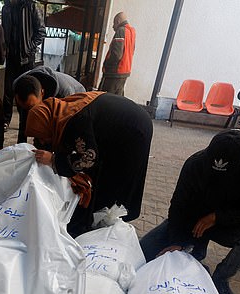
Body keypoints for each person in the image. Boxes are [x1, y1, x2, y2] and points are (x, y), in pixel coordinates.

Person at [139, 129, 240, 294]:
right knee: (144, 251)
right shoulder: (197, 162)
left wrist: (219, 217)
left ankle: (220, 279)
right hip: (196, 221)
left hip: (233, 225)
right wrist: (177, 240)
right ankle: (195, 252)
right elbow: (178, 206)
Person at [26, 92, 152, 237]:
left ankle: (105, 230)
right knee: (100, 178)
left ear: (47, 124)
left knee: (114, 184)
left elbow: (89, 159)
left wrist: (54, 160)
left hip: (133, 132)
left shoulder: (75, 120)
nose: (42, 142)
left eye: (42, 136)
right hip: (126, 123)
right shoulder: (61, 112)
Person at [1, 0, 46, 131]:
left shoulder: (31, 6)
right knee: (8, 92)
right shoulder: (6, 8)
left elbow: (41, 32)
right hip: (11, 58)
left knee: (26, 92)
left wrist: (29, 48)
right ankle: (5, 120)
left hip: (26, 59)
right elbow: (4, 32)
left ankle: (25, 125)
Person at [13, 66, 85, 143]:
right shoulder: (18, 86)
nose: (29, 111)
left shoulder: (64, 94)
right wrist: (20, 148)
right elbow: (24, 123)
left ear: (42, 93)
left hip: (78, 97)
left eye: (31, 107)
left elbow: (62, 128)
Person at [99, 11, 136, 96]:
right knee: (117, 99)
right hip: (125, 72)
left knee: (103, 97)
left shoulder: (121, 31)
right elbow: (132, 50)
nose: (113, 27)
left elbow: (116, 54)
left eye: (114, 23)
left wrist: (106, 66)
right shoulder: (132, 32)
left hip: (114, 73)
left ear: (118, 21)